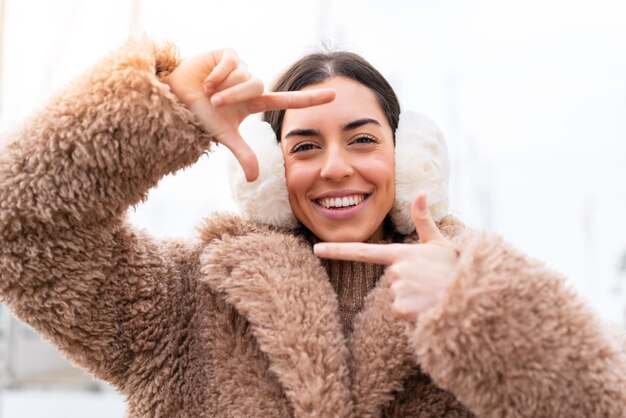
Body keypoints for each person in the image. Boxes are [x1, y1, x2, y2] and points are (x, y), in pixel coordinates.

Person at [0, 37, 624, 418]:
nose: (334, 167)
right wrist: (161, 113)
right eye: (303, 147)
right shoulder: (179, 307)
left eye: (361, 139)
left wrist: (481, 316)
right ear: (270, 172)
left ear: (408, 160)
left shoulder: (480, 290)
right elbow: (20, 231)